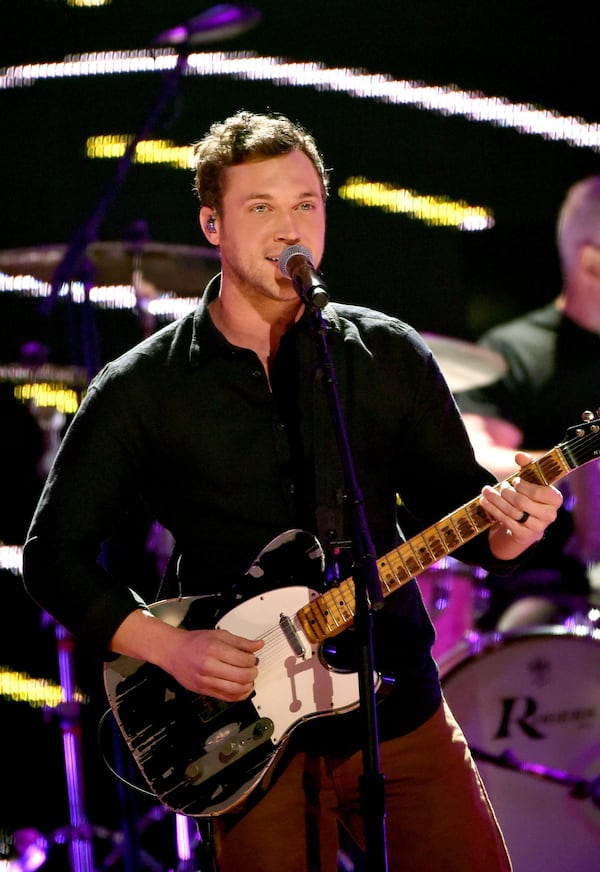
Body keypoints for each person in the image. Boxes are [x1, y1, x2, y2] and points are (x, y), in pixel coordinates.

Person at [22, 109, 563, 872]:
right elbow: (53, 556)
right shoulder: (145, 386)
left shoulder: (383, 354)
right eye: (261, 207)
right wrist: (170, 648)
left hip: (396, 706)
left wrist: (516, 525)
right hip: (243, 735)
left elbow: (458, 508)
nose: (290, 227)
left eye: (306, 204)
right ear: (212, 223)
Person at [456, 175, 600, 632]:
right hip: (546, 588)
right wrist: (580, 470)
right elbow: (476, 460)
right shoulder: (514, 351)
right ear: (591, 260)